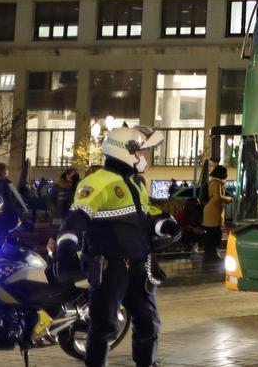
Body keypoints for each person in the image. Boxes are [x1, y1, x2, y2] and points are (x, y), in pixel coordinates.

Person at [52, 126, 177, 367]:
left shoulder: (136, 182)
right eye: (140, 151)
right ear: (125, 150)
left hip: (139, 263)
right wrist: (66, 247)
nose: (143, 157)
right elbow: (78, 216)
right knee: (104, 325)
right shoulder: (97, 182)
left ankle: (147, 364)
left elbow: (144, 213)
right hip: (110, 266)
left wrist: (163, 222)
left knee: (148, 321)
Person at [202, 165, 233, 263]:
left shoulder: (216, 182)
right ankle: (211, 255)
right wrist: (228, 199)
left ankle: (211, 255)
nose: (226, 175)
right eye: (225, 173)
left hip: (214, 212)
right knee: (213, 234)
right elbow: (217, 197)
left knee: (214, 234)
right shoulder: (216, 183)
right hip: (212, 213)